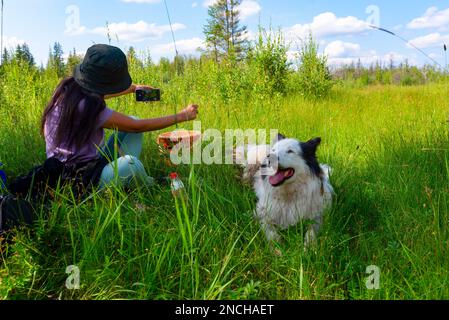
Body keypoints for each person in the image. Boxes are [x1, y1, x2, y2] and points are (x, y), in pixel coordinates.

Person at [41, 44, 199, 190]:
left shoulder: (68, 89)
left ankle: (127, 179)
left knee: (134, 121)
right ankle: (149, 184)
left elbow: (97, 94)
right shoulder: (89, 108)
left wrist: (133, 89)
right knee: (132, 163)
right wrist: (182, 115)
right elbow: (137, 127)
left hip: (81, 167)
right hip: (79, 181)